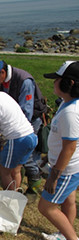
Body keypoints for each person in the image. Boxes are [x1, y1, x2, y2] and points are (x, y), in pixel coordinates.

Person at [0, 57, 46, 198]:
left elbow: (26, 112)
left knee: (27, 158)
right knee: (16, 164)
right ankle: (15, 183)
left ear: (2, 73)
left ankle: (33, 184)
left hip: (28, 121)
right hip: (13, 122)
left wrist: (9, 129)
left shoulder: (24, 81)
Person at [38, 61, 79, 240]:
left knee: (46, 207)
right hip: (69, 166)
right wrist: (49, 156)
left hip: (66, 169)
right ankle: (64, 234)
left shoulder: (71, 112)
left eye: (57, 79)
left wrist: (53, 177)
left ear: (69, 83)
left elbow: (69, 147)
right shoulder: (67, 102)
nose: (54, 83)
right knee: (69, 200)